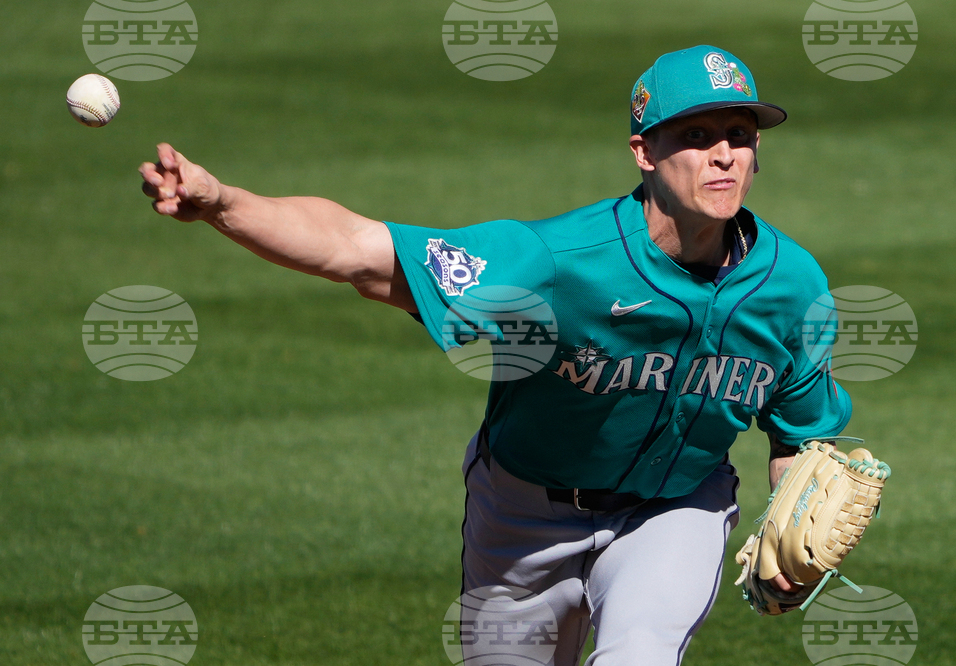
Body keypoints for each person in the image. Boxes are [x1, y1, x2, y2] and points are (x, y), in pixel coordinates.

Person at [140, 45, 851, 665]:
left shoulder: (792, 287)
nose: (725, 153)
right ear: (644, 151)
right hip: (524, 516)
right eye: (696, 135)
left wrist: (794, 531)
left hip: (673, 511)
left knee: (640, 654)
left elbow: (802, 431)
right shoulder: (557, 261)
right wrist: (225, 202)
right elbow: (358, 250)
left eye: (740, 133)